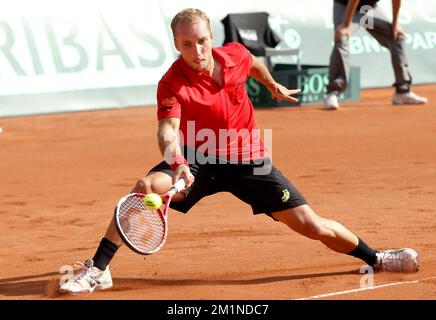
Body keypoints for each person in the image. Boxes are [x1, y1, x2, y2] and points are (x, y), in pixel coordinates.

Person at [60, 8, 419, 294]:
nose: (196, 51)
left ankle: (378, 257)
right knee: (145, 188)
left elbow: (252, 63)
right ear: (175, 44)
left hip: (249, 160)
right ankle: (98, 269)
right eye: (187, 44)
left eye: (201, 41)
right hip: (197, 160)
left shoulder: (234, 55)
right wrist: (179, 162)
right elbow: (168, 131)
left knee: (311, 225)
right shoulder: (171, 83)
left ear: (211, 37)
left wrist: (273, 84)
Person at [324, 0, 428, 110]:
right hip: (345, 5)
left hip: (367, 9)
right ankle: (332, 93)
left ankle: (402, 92)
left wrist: (395, 24)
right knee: (342, 38)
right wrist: (345, 25)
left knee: (397, 37)